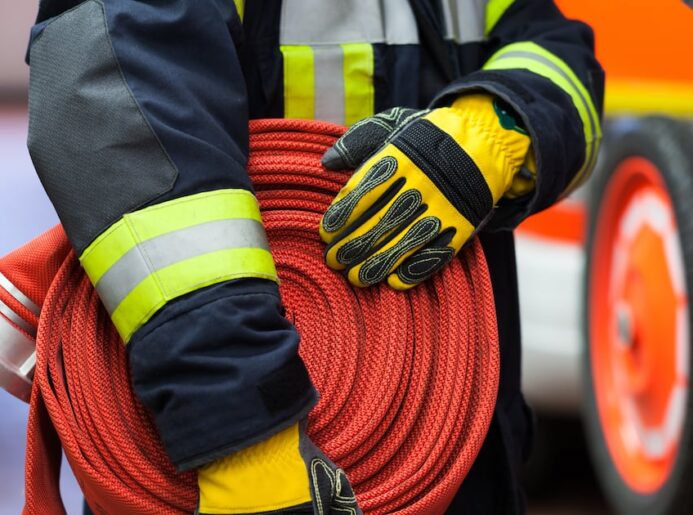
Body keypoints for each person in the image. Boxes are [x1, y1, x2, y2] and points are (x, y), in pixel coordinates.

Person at [24, 0, 603, 513]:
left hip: (461, 446)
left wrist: (492, 126)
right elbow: (121, 123)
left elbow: (560, 55)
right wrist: (245, 440)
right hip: (219, 456)